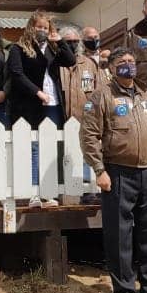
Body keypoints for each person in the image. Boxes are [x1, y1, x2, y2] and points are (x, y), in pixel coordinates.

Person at [81, 47, 147, 293]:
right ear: (111, 68)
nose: (128, 66)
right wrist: (99, 170)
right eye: (122, 62)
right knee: (120, 234)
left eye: (132, 62)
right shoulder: (102, 96)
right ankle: (123, 292)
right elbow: (89, 136)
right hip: (118, 172)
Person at [6, 11, 75, 207]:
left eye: (46, 28)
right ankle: (34, 191)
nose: (42, 31)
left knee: (50, 146)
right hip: (31, 103)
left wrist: (59, 41)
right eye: (39, 27)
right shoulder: (19, 48)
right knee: (34, 147)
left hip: (53, 103)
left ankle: (48, 192)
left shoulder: (53, 48)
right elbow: (17, 74)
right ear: (31, 27)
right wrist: (37, 92)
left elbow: (70, 61)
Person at [59, 23, 104, 205]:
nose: (72, 44)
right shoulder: (56, 63)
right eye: (67, 41)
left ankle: (88, 190)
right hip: (62, 115)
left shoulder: (89, 64)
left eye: (75, 41)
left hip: (85, 115)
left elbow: (99, 90)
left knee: (87, 151)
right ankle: (59, 192)